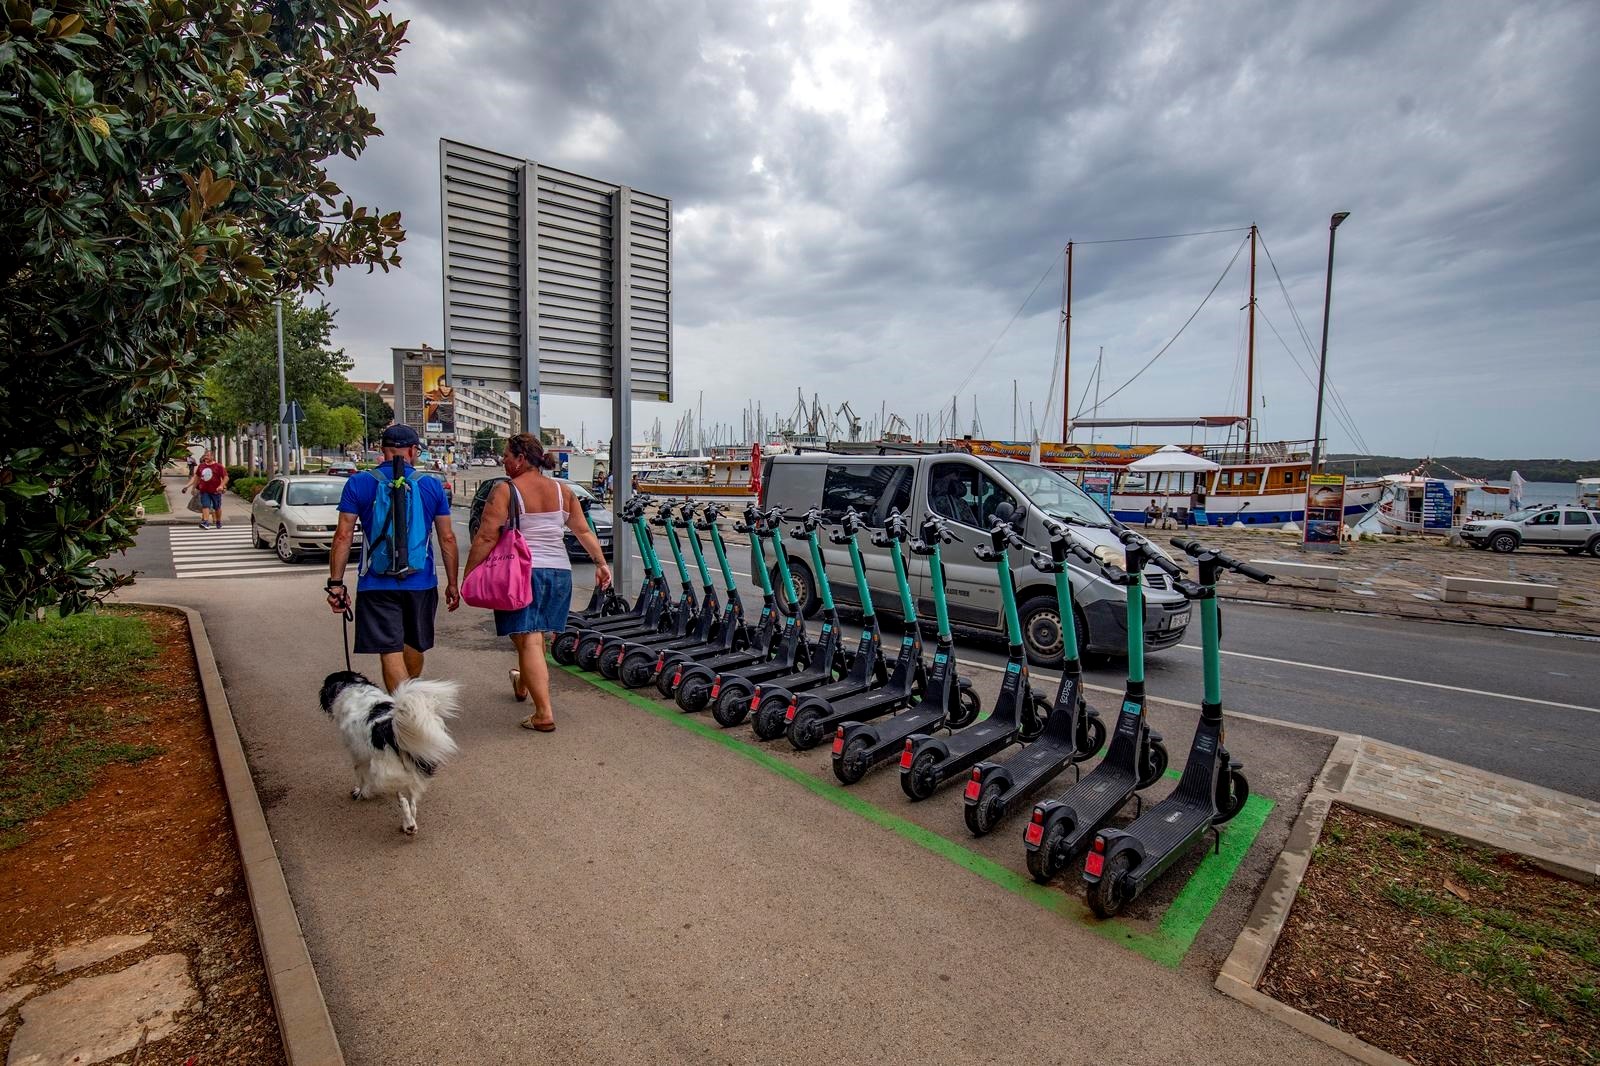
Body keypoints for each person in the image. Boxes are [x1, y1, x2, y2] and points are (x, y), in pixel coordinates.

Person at [463, 433, 610, 732]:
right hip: (558, 574)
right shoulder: (562, 491)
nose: (503, 460)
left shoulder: (507, 490)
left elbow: (487, 536)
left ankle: (543, 713)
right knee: (531, 638)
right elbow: (583, 531)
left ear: (520, 458)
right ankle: (522, 681)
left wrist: (469, 574)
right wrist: (601, 563)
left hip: (523, 573)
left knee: (528, 637)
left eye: (506, 455)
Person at [325, 425, 460, 693]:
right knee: (414, 643)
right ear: (413, 451)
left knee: (390, 648)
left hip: (376, 582)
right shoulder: (431, 485)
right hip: (420, 581)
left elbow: (342, 535)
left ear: (382, 450)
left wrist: (336, 583)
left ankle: (404, 713)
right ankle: (410, 705)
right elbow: (447, 538)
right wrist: (453, 583)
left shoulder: (360, 483)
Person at [184, 451, 229, 529]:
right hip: (204, 491)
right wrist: (193, 488)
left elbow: (226, 477)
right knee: (205, 506)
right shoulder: (201, 466)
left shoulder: (218, 466)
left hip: (216, 491)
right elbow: (197, 478)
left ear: (212, 456)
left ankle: (218, 521)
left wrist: (222, 486)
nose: (206, 457)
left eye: (207, 456)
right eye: (205, 456)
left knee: (217, 507)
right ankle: (206, 522)